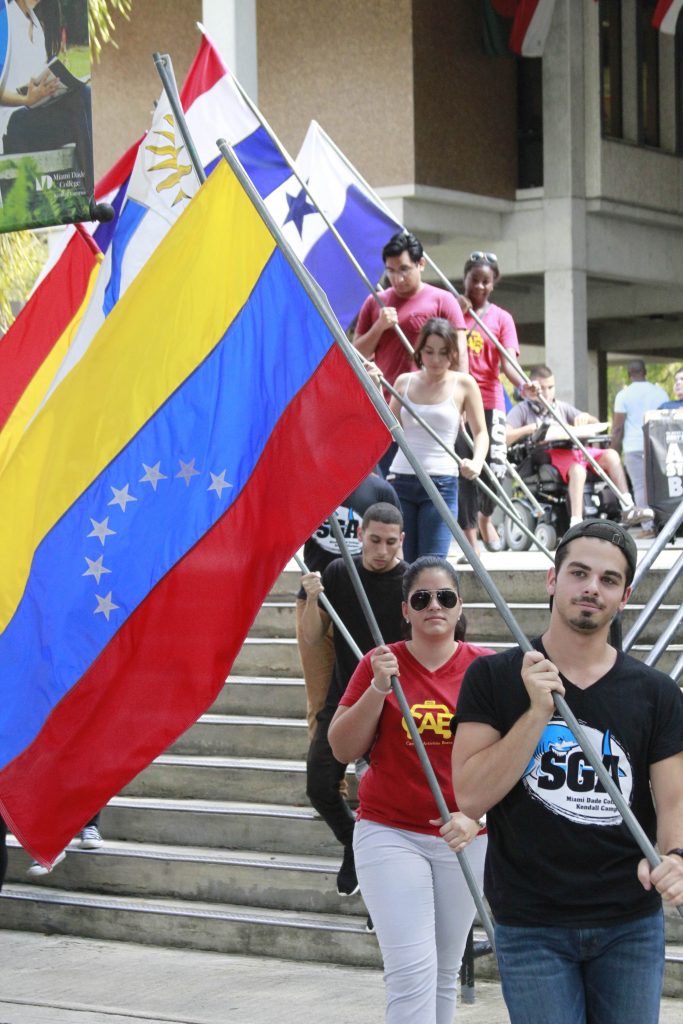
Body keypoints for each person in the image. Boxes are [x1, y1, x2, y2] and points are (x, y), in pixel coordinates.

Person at [451, 520, 683, 1024]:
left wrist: (676, 856)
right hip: (531, 924)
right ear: (552, 580)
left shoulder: (656, 692)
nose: (591, 588)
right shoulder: (492, 677)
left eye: (608, 580)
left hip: (629, 922)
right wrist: (536, 713)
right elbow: (469, 796)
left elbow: (673, 802)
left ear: (623, 598)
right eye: (579, 573)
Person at [328, 556, 493, 1024]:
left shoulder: (487, 668)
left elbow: (509, 758)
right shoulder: (380, 663)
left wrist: (478, 816)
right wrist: (378, 689)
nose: (434, 606)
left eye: (445, 597)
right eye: (422, 598)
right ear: (406, 609)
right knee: (410, 970)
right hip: (390, 831)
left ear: (460, 606)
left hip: (464, 836)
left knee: (443, 970)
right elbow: (341, 746)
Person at [301, 503, 407, 896]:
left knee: (383, 795)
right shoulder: (340, 571)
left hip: (395, 701)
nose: (381, 551)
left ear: (402, 541)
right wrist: (313, 599)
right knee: (319, 785)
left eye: (390, 543)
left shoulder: (410, 581)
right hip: (346, 695)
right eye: (374, 540)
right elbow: (313, 637)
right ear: (359, 535)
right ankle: (354, 842)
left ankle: (379, 873)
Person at [353, 231, 468, 475]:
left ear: (421, 264)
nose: (397, 278)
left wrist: (461, 405)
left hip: (434, 411)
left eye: (404, 269)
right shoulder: (376, 303)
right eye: (391, 271)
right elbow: (356, 354)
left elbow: (460, 358)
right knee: (391, 485)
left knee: (436, 483)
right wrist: (378, 327)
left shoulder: (443, 301)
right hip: (388, 411)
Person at [295, 473, 401, 738]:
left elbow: (395, 548)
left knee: (373, 695)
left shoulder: (380, 490)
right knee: (320, 702)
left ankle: (367, 773)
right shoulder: (311, 485)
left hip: (365, 602)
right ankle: (327, 773)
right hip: (316, 600)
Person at [455, 251, 536, 556]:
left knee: (495, 468)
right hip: (460, 400)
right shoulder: (452, 310)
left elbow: (508, 363)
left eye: (486, 281)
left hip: (490, 400)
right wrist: (455, 311)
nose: (479, 286)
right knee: (465, 470)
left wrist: (522, 385)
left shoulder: (501, 318)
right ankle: (471, 539)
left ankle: (486, 517)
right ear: (465, 278)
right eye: (474, 279)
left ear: (494, 283)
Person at [388, 317, 488, 562]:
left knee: (433, 564)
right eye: (429, 351)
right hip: (401, 478)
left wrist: (476, 462)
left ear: (453, 354)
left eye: (443, 353)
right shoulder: (403, 382)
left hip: (442, 481)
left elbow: (481, 433)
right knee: (405, 565)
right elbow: (387, 428)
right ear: (419, 351)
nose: (435, 360)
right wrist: (371, 383)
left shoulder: (464, 383)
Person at [506, 364, 650, 528]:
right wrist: (530, 429)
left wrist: (586, 418)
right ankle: (576, 521)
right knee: (578, 470)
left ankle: (628, 507)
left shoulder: (560, 407)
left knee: (611, 455)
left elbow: (595, 423)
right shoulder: (522, 410)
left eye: (551, 387)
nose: (547, 393)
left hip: (576, 450)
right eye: (542, 388)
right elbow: (506, 436)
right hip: (550, 456)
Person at [0, 0, 94, 194]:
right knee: (80, 101)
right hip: (12, 122)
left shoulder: (37, 28)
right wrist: (26, 100)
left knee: (83, 95)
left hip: (35, 116)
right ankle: (90, 192)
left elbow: (35, 84)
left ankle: (88, 193)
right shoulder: (5, 20)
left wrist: (52, 90)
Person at [611, 359, 668, 534]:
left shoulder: (624, 395)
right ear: (645, 372)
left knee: (640, 486)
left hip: (634, 446)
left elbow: (618, 427)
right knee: (659, 487)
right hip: (657, 446)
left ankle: (647, 527)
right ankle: (664, 523)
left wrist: (613, 450)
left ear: (629, 374)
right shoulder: (660, 393)